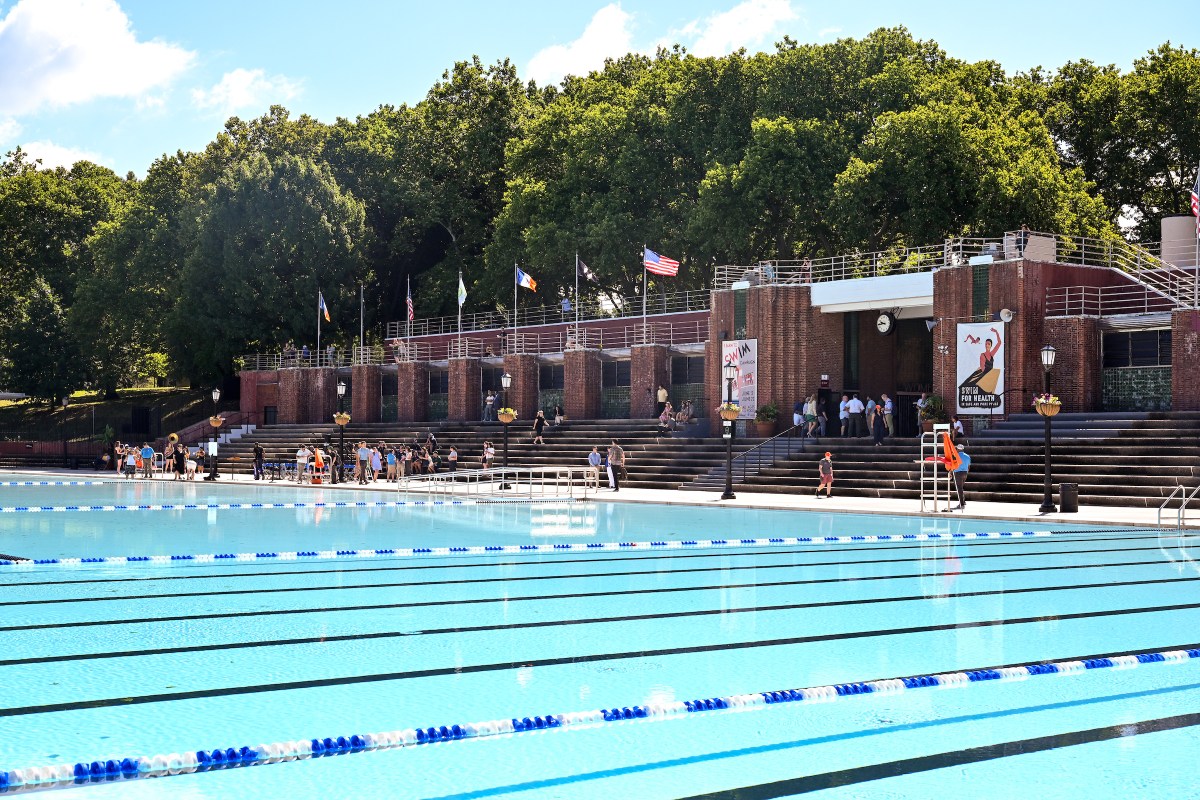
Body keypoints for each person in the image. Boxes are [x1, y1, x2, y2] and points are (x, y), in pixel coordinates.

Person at [952, 443, 971, 509]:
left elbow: (953, 466)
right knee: (961, 487)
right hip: (965, 473)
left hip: (958, 473)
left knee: (959, 488)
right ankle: (963, 500)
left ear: (957, 449)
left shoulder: (955, 456)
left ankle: (961, 504)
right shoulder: (967, 456)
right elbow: (969, 466)